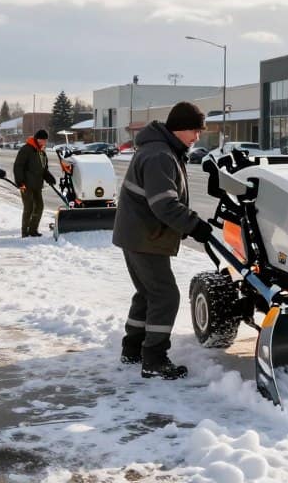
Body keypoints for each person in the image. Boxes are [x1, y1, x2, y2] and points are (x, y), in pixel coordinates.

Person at [113, 101, 212, 380]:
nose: (197, 137)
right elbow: (164, 205)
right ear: (179, 128)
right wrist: (194, 226)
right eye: (194, 130)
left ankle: (132, 349)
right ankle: (154, 359)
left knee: (147, 293)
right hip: (145, 236)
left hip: (137, 234)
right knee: (165, 295)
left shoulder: (162, 149)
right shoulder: (160, 156)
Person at [13, 129, 57, 237]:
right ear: (37, 139)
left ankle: (33, 230)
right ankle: (25, 232)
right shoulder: (26, 149)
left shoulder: (41, 152)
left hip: (37, 185)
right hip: (26, 184)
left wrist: (48, 177)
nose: (45, 142)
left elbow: (43, 169)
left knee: (39, 206)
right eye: (43, 140)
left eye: (46, 140)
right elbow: (18, 166)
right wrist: (20, 181)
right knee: (29, 207)